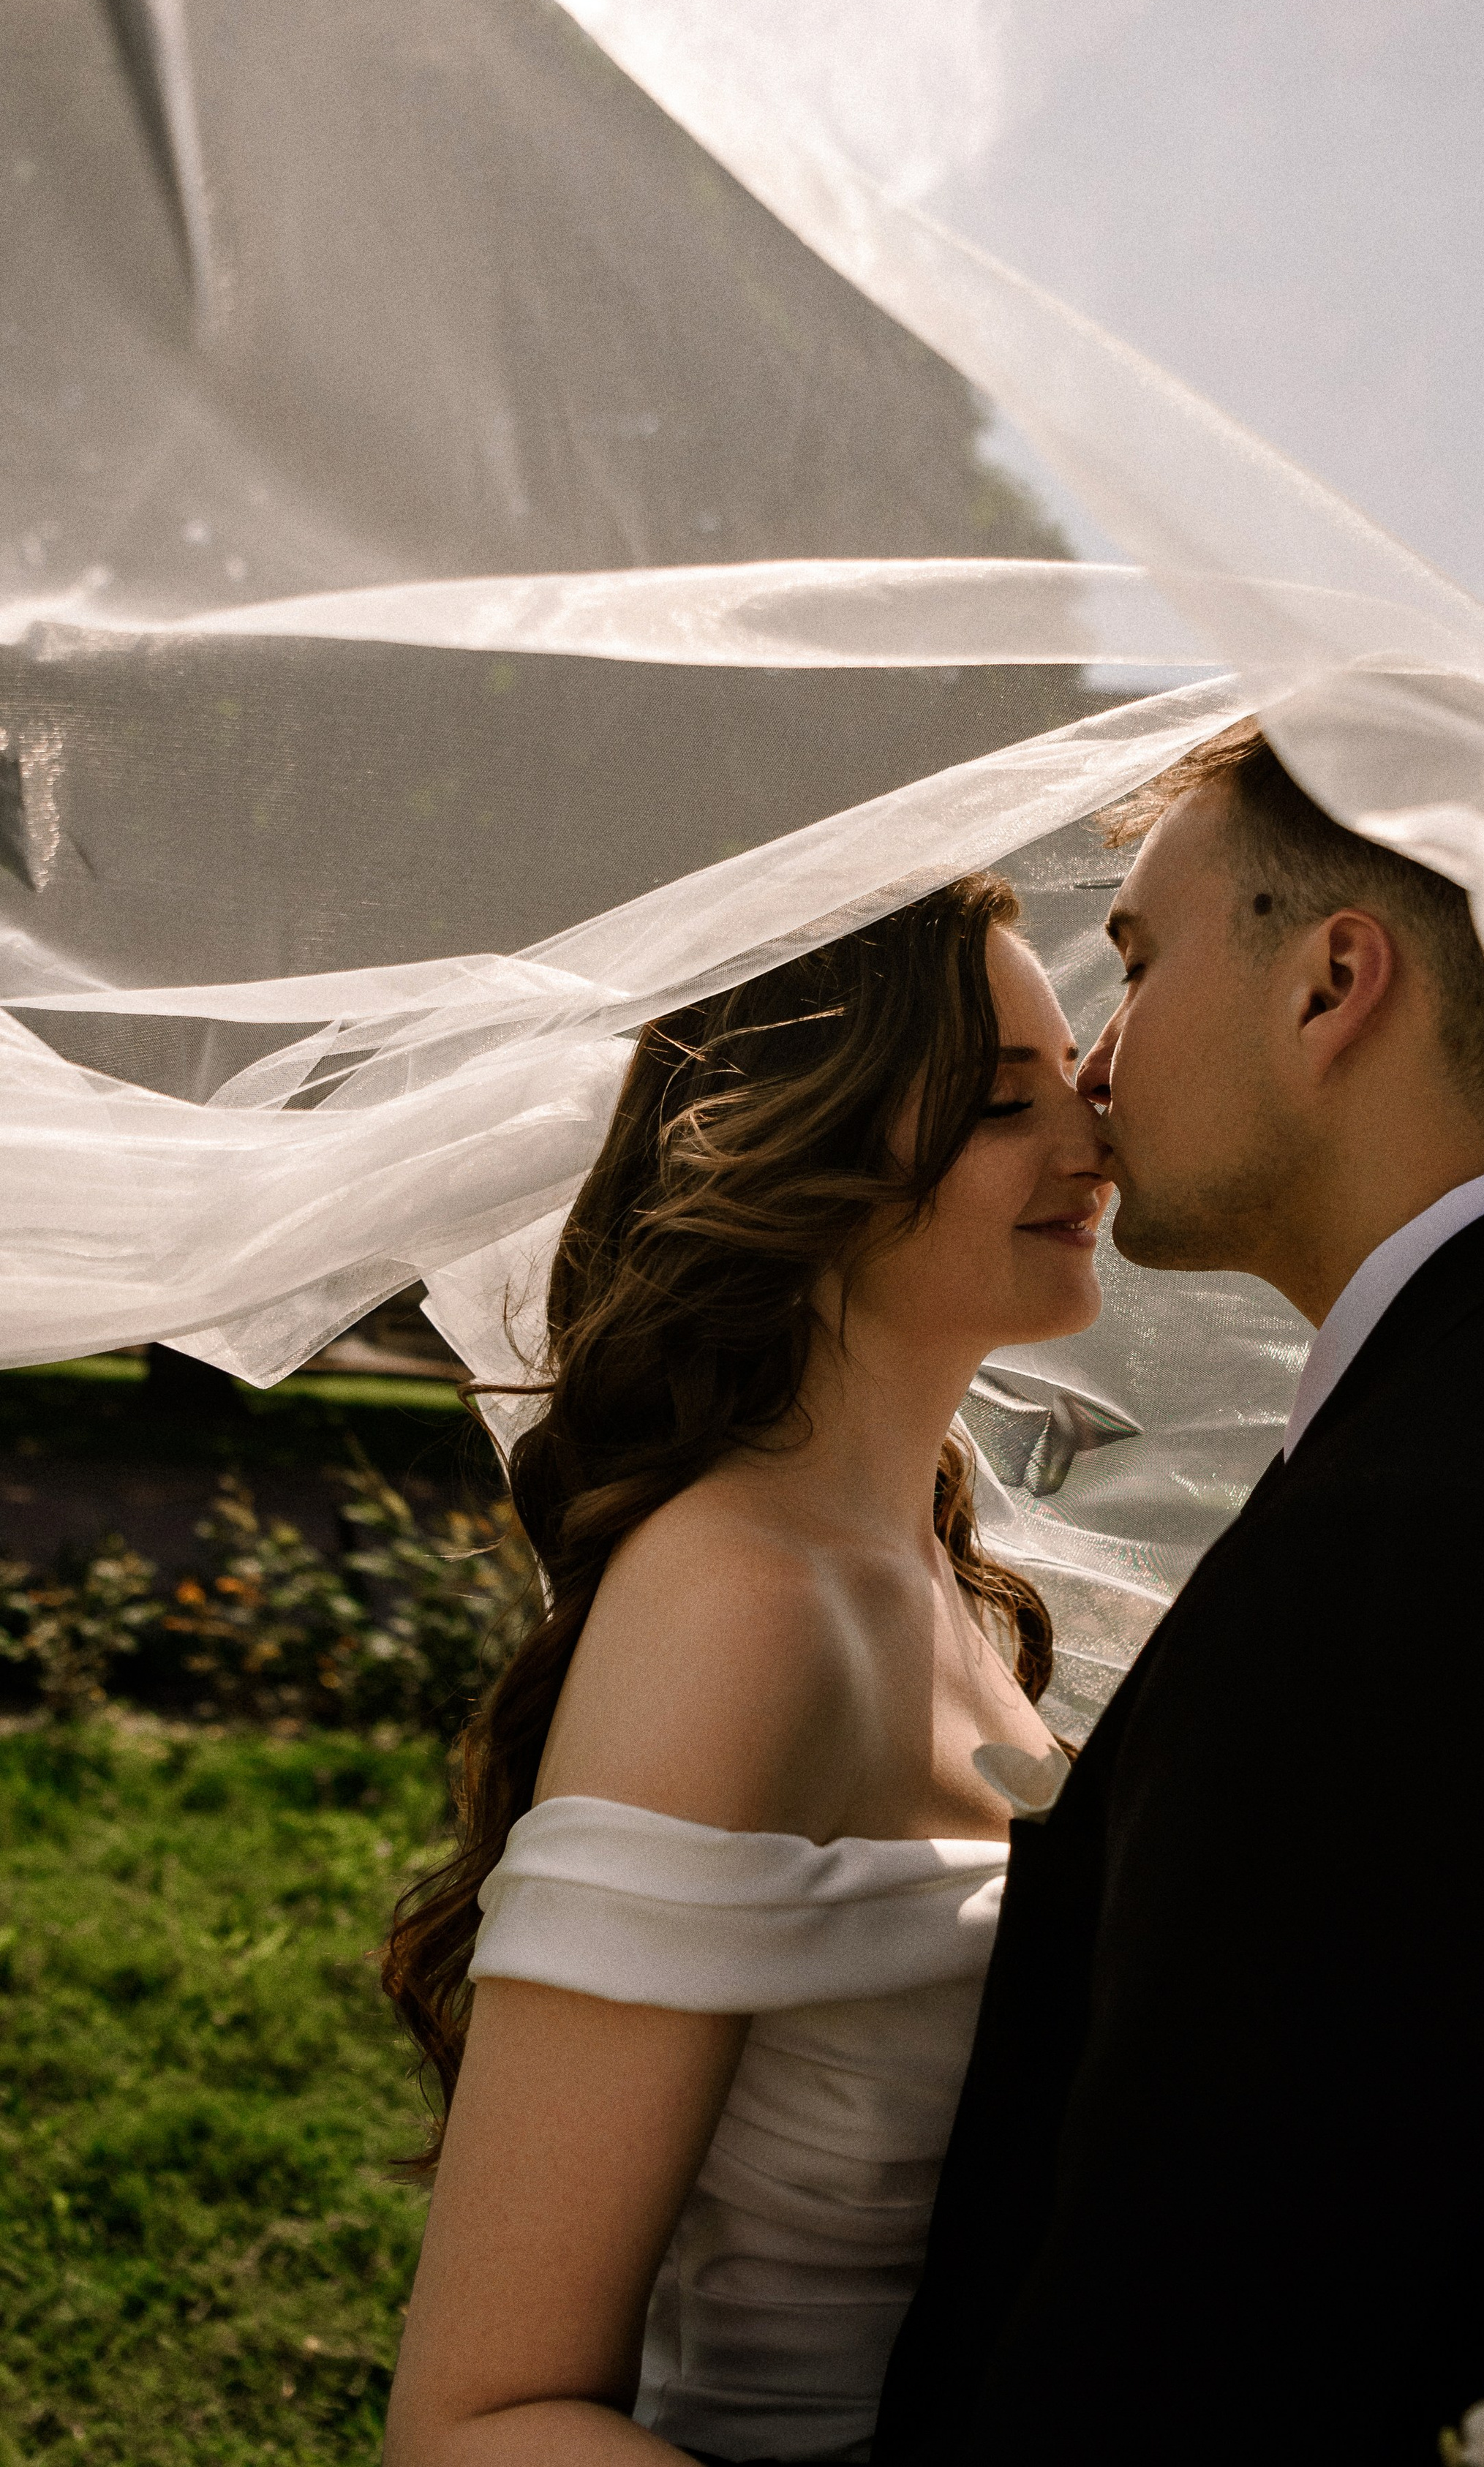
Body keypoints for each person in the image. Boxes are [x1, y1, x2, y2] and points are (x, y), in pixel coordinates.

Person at [873, 723, 1484, 2463]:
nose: (1095, 1066)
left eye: (1141, 965)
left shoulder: (1425, 1537)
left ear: (1333, 983)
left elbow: (1227, 2317)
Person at [380, 872, 1112, 2466]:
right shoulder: (738, 1605)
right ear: (817, 1165)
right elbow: (477, 2423)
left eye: (1078, 1078)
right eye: (1005, 1104)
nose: (1090, 1144)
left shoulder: (936, 1575)